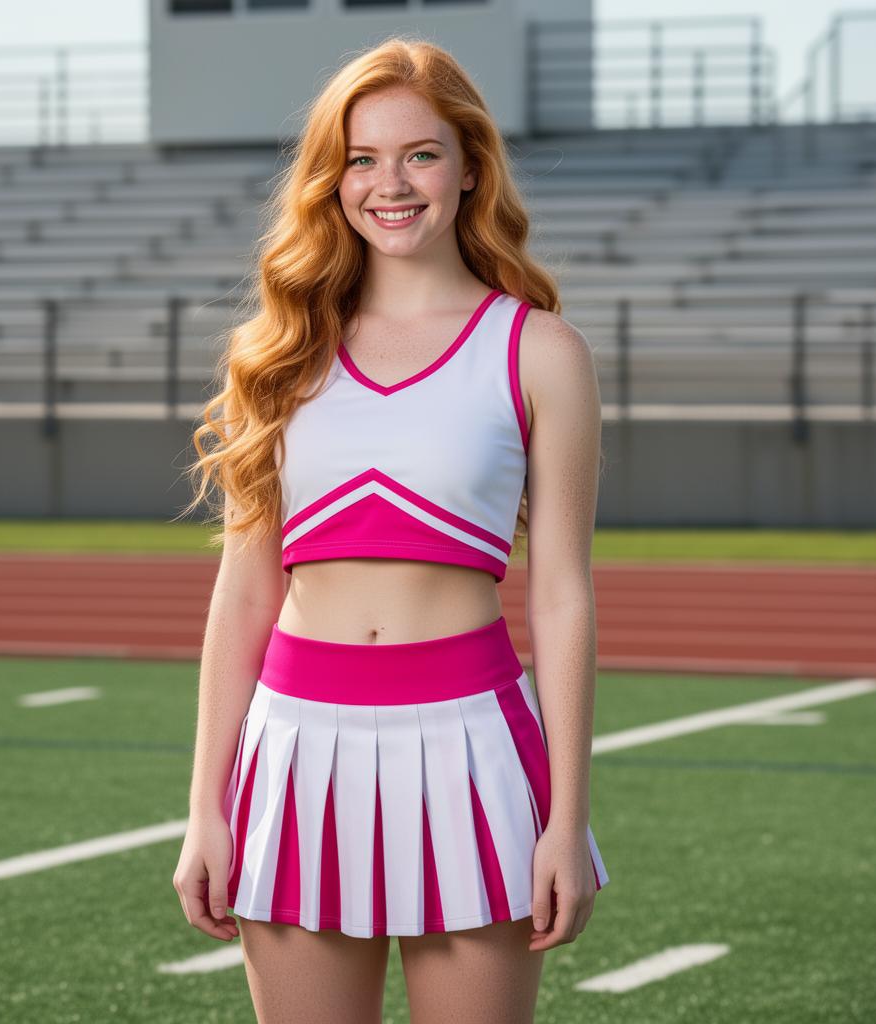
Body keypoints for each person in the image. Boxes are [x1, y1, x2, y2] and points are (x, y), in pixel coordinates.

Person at [172, 35, 609, 1024]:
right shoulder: (280, 354)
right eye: (361, 159)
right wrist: (206, 805)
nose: (390, 183)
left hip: (473, 750)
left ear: (468, 168)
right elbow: (244, 589)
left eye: (419, 153)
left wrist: (566, 816)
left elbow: (561, 592)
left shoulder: (540, 352)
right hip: (294, 756)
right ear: (331, 182)